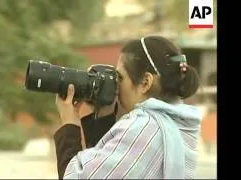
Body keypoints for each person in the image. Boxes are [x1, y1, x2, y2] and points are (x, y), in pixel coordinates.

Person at [53, 35, 202, 179]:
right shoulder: (177, 124)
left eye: (120, 78)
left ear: (145, 82)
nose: (116, 86)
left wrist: (69, 123)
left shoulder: (145, 128)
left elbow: (75, 175)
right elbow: (108, 167)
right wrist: (104, 115)